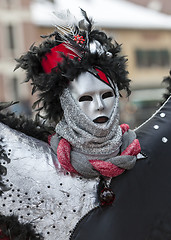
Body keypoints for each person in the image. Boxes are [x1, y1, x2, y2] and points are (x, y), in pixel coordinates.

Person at [0, 9, 171, 240]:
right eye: (86, 98)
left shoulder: (149, 153)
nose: (99, 106)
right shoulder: (36, 165)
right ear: (67, 105)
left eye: (107, 95)